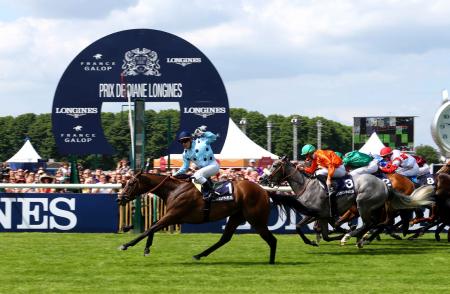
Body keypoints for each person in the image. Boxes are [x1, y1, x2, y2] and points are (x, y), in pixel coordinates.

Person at [297, 144, 346, 217]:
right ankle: (327, 188)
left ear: (310, 153)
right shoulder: (315, 158)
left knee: (318, 172)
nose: (306, 157)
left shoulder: (320, 154)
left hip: (339, 169)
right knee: (316, 172)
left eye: (306, 155)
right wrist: (303, 169)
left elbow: (331, 165)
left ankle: (330, 189)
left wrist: (329, 179)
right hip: (334, 169)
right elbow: (311, 170)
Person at [173, 125, 220, 200]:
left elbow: (213, 137)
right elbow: (185, 167)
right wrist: (175, 174)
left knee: (197, 175)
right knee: (192, 179)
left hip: (213, 166)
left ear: (191, 139)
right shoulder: (185, 154)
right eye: (181, 142)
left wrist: (203, 133)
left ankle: (212, 192)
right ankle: (205, 196)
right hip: (204, 172)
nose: (183, 144)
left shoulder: (202, 141)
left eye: (185, 141)